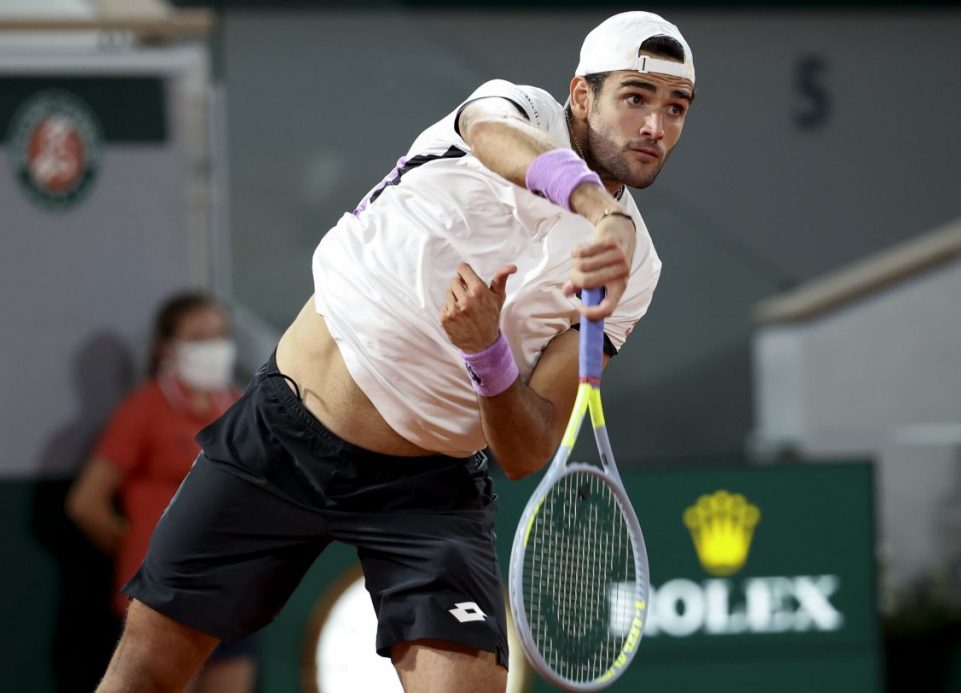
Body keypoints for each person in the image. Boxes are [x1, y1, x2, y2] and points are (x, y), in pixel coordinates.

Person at [96, 11, 695, 693]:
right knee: (144, 671)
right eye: (636, 98)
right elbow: (493, 136)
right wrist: (600, 211)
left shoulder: (636, 270)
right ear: (581, 96)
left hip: (429, 489)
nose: (656, 126)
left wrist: (489, 354)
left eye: (676, 108)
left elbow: (527, 451)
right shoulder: (517, 110)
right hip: (282, 437)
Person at [67, 292, 258, 693]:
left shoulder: (240, 405)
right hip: (162, 599)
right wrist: (142, 555)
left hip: (229, 592)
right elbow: (86, 503)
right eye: (198, 337)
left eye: (220, 335)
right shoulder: (144, 408)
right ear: (166, 348)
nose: (214, 347)